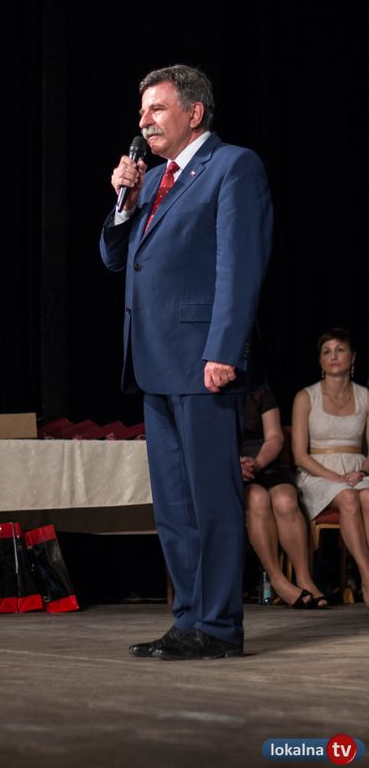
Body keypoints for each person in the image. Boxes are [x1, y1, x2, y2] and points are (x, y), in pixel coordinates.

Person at [100, 64, 273, 659]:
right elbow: (116, 259)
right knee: (174, 506)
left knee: (212, 501)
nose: (144, 121)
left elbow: (239, 266)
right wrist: (124, 202)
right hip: (154, 362)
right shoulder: (150, 181)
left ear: (194, 113)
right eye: (142, 111)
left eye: (157, 109)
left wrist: (224, 350)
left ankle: (219, 627)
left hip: (203, 362)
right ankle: (189, 621)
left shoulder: (233, 166)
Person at [292, 328, 369, 605]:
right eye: (327, 352)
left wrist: (361, 472)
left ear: (353, 357)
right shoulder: (305, 397)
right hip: (317, 473)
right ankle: (367, 576)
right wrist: (337, 477)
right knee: (348, 497)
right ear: (320, 361)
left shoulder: (365, 396)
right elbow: (300, 455)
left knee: (367, 496)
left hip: (356, 471)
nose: (333, 356)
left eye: (340, 350)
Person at [242, 385, 327, 608]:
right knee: (257, 498)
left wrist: (257, 463)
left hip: (266, 462)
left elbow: (275, 436)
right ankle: (278, 580)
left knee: (285, 500)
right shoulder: (209, 394)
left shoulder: (259, 391)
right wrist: (234, 465)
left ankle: (304, 578)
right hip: (230, 467)